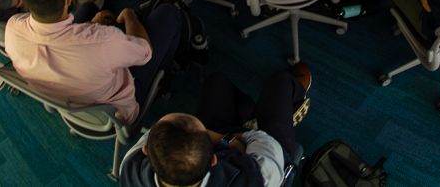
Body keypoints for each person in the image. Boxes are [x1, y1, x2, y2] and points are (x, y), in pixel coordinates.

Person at [5, 0, 182, 124]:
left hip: (68, 99)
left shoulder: (12, 28)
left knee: (88, 8)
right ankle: (162, 80)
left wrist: (89, 28)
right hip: (117, 111)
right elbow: (144, 52)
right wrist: (130, 16)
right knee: (168, 13)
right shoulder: (104, 40)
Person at [120, 65, 312, 187]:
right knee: (280, 82)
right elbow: (263, 141)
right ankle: (296, 90)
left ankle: (249, 116)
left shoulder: (130, 168)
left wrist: (216, 138)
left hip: (229, 147)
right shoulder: (255, 179)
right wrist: (228, 140)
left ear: (146, 151)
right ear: (213, 160)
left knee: (217, 83)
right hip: (267, 153)